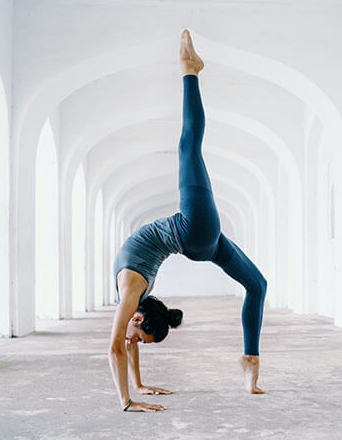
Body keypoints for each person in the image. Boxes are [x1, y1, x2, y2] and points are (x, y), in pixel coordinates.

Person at [108, 29, 267, 413]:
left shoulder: (131, 291)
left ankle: (189, 71)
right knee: (257, 286)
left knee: (258, 285)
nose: (135, 342)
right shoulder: (136, 302)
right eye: (143, 339)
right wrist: (138, 388)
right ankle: (248, 361)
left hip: (197, 233)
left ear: (139, 317)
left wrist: (130, 399)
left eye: (140, 338)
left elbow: (115, 346)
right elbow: (127, 342)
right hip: (197, 234)